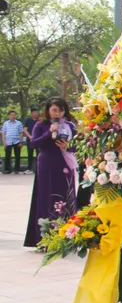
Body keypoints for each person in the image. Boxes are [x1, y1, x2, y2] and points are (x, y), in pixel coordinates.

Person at [23, 98, 77, 247]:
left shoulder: (70, 126)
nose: (57, 113)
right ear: (48, 111)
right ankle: (45, 238)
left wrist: (68, 146)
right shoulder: (41, 125)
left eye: (60, 110)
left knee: (65, 197)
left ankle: (67, 237)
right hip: (47, 166)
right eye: (54, 110)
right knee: (46, 197)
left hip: (64, 165)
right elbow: (34, 143)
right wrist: (49, 132)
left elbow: (79, 146)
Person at [3, 110, 24, 174]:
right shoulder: (5, 123)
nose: (13, 116)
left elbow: (21, 132)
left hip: (16, 141)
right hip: (8, 141)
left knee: (17, 156)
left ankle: (16, 169)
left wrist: (21, 141)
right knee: (7, 156)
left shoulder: (18, 123)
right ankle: (7, 169)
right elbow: (3, 133)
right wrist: (4, 142)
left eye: (14, 115)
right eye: (12, 115)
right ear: (8, 116)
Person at [22, 107, 40, 174]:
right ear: (31, 113)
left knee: (39, 154)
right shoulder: (28, 120)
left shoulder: (39, 120)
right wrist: (30, 136)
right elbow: (25, 130)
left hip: (38, 140)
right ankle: (29, 168)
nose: (36, 114)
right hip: (30, 139)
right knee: (30, 154)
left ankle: (39, 168)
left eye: (37, 112)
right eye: (34, 112)